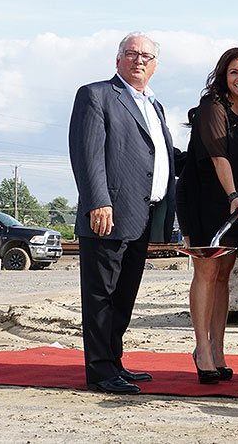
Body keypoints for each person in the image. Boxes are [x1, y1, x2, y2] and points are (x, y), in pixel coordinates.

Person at [68, 32, 177, 395]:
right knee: (101, 296)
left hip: (142, 216)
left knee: (124, 296)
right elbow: (87, 154)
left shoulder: (155, 106)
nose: (139, 60)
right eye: (131, 53)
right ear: (118, 60)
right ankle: (100, 371)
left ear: (155, 65)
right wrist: (98, 201)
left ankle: (114, 362)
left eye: (146, 56)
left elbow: (159, 156)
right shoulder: (96, 95)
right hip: (107, 214)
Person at [176, 48, 238, 384]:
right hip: (205, 198)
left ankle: (218, 349)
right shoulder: (212, 107)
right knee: (207, 271)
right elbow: (218, 156)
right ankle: (202, 350)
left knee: (225, 274)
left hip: (235, 201)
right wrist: (232, 194)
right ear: (224, 76)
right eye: (234, 72)